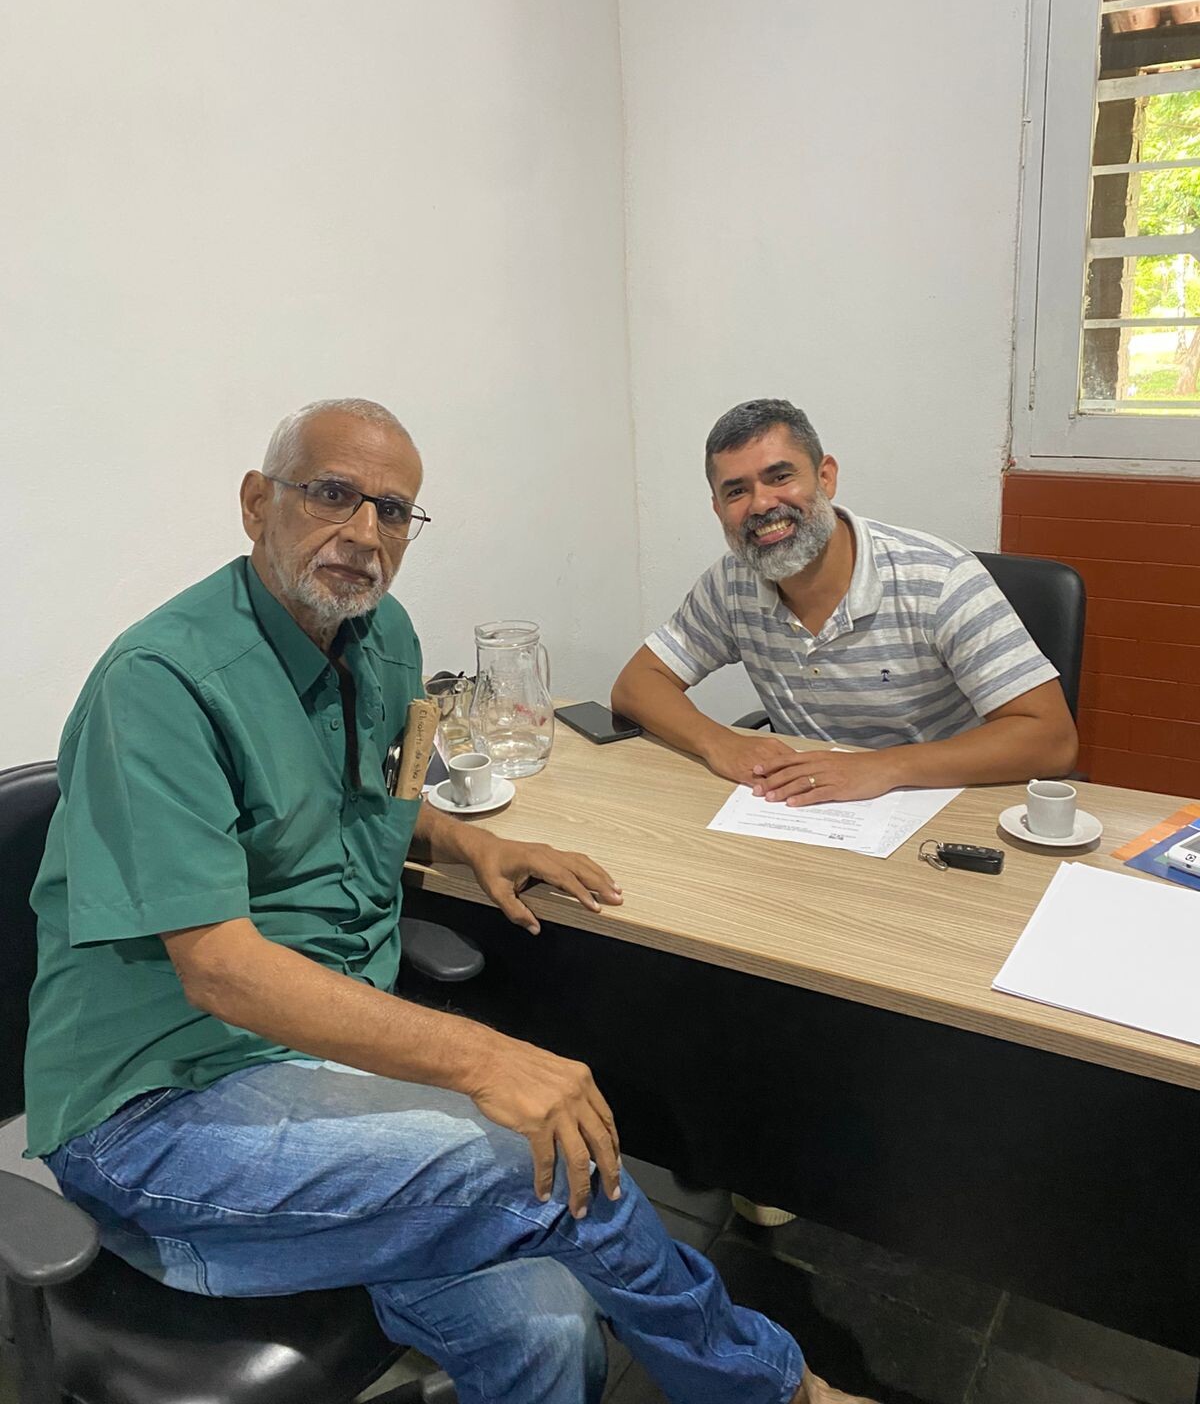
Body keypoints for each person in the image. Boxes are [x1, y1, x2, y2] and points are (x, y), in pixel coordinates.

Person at [24, 398, 876, 1404]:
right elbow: (220, 969)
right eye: (333, 494)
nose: (365, 532)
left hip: (325, 1064)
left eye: (393, 511)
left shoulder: (380, 637)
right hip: (162, 1111)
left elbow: (376, 793)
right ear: (257, 504)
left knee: (550, 1328)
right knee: (548, 1157)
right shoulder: (160, 682)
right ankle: (778, 1389)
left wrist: (477, 842)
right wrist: (486, 1057)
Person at [612, 398, 1078, 804]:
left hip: (940, 801)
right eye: (736, 491)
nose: (761, 504)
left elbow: (1052, 739)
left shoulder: (939, 579)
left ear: (826, 477)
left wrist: (884, 767)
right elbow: (636, 685)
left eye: (780, 476)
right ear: (718, 509)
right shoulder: (732, 583)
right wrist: (718, 742)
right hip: (807, 807)